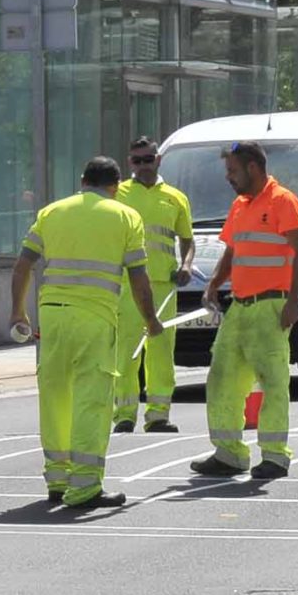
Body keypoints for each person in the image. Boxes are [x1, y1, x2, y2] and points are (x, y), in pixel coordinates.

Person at [10, 157, 166, 510]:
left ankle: (57, 479)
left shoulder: (52, 212)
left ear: (82, 181)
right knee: (92, 401)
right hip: (95, 318)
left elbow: (23, 265)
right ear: (115, 186)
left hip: (51, 318)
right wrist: (151, 320)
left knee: (55, 396)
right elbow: (138, 277)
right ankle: (85, 487)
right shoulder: (125, 216)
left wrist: (17, 312)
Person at [192, 140, 298, 482]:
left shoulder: (282, 201)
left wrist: (293, 301)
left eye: (232, 170)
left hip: (271, 306)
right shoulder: (240, 205)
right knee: (222, 379)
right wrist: (214, 284)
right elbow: (233, 251)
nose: (228, 177)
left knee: (272, 382)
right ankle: (228, 453)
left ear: (252, 168)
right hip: (240, 307)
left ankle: (274, 456)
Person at [112, 137, 196, 434]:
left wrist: (185, 265)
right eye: (137, 160)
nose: (143, 165)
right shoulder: (118, 193)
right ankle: (124, 414)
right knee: (126, 351)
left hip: (163, 284)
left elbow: (187, 240)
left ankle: (158, 414)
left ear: (159, 159)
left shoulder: (175, 197)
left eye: (148, 159)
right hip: (126, 284)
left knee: (161, 352)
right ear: (129, 162)